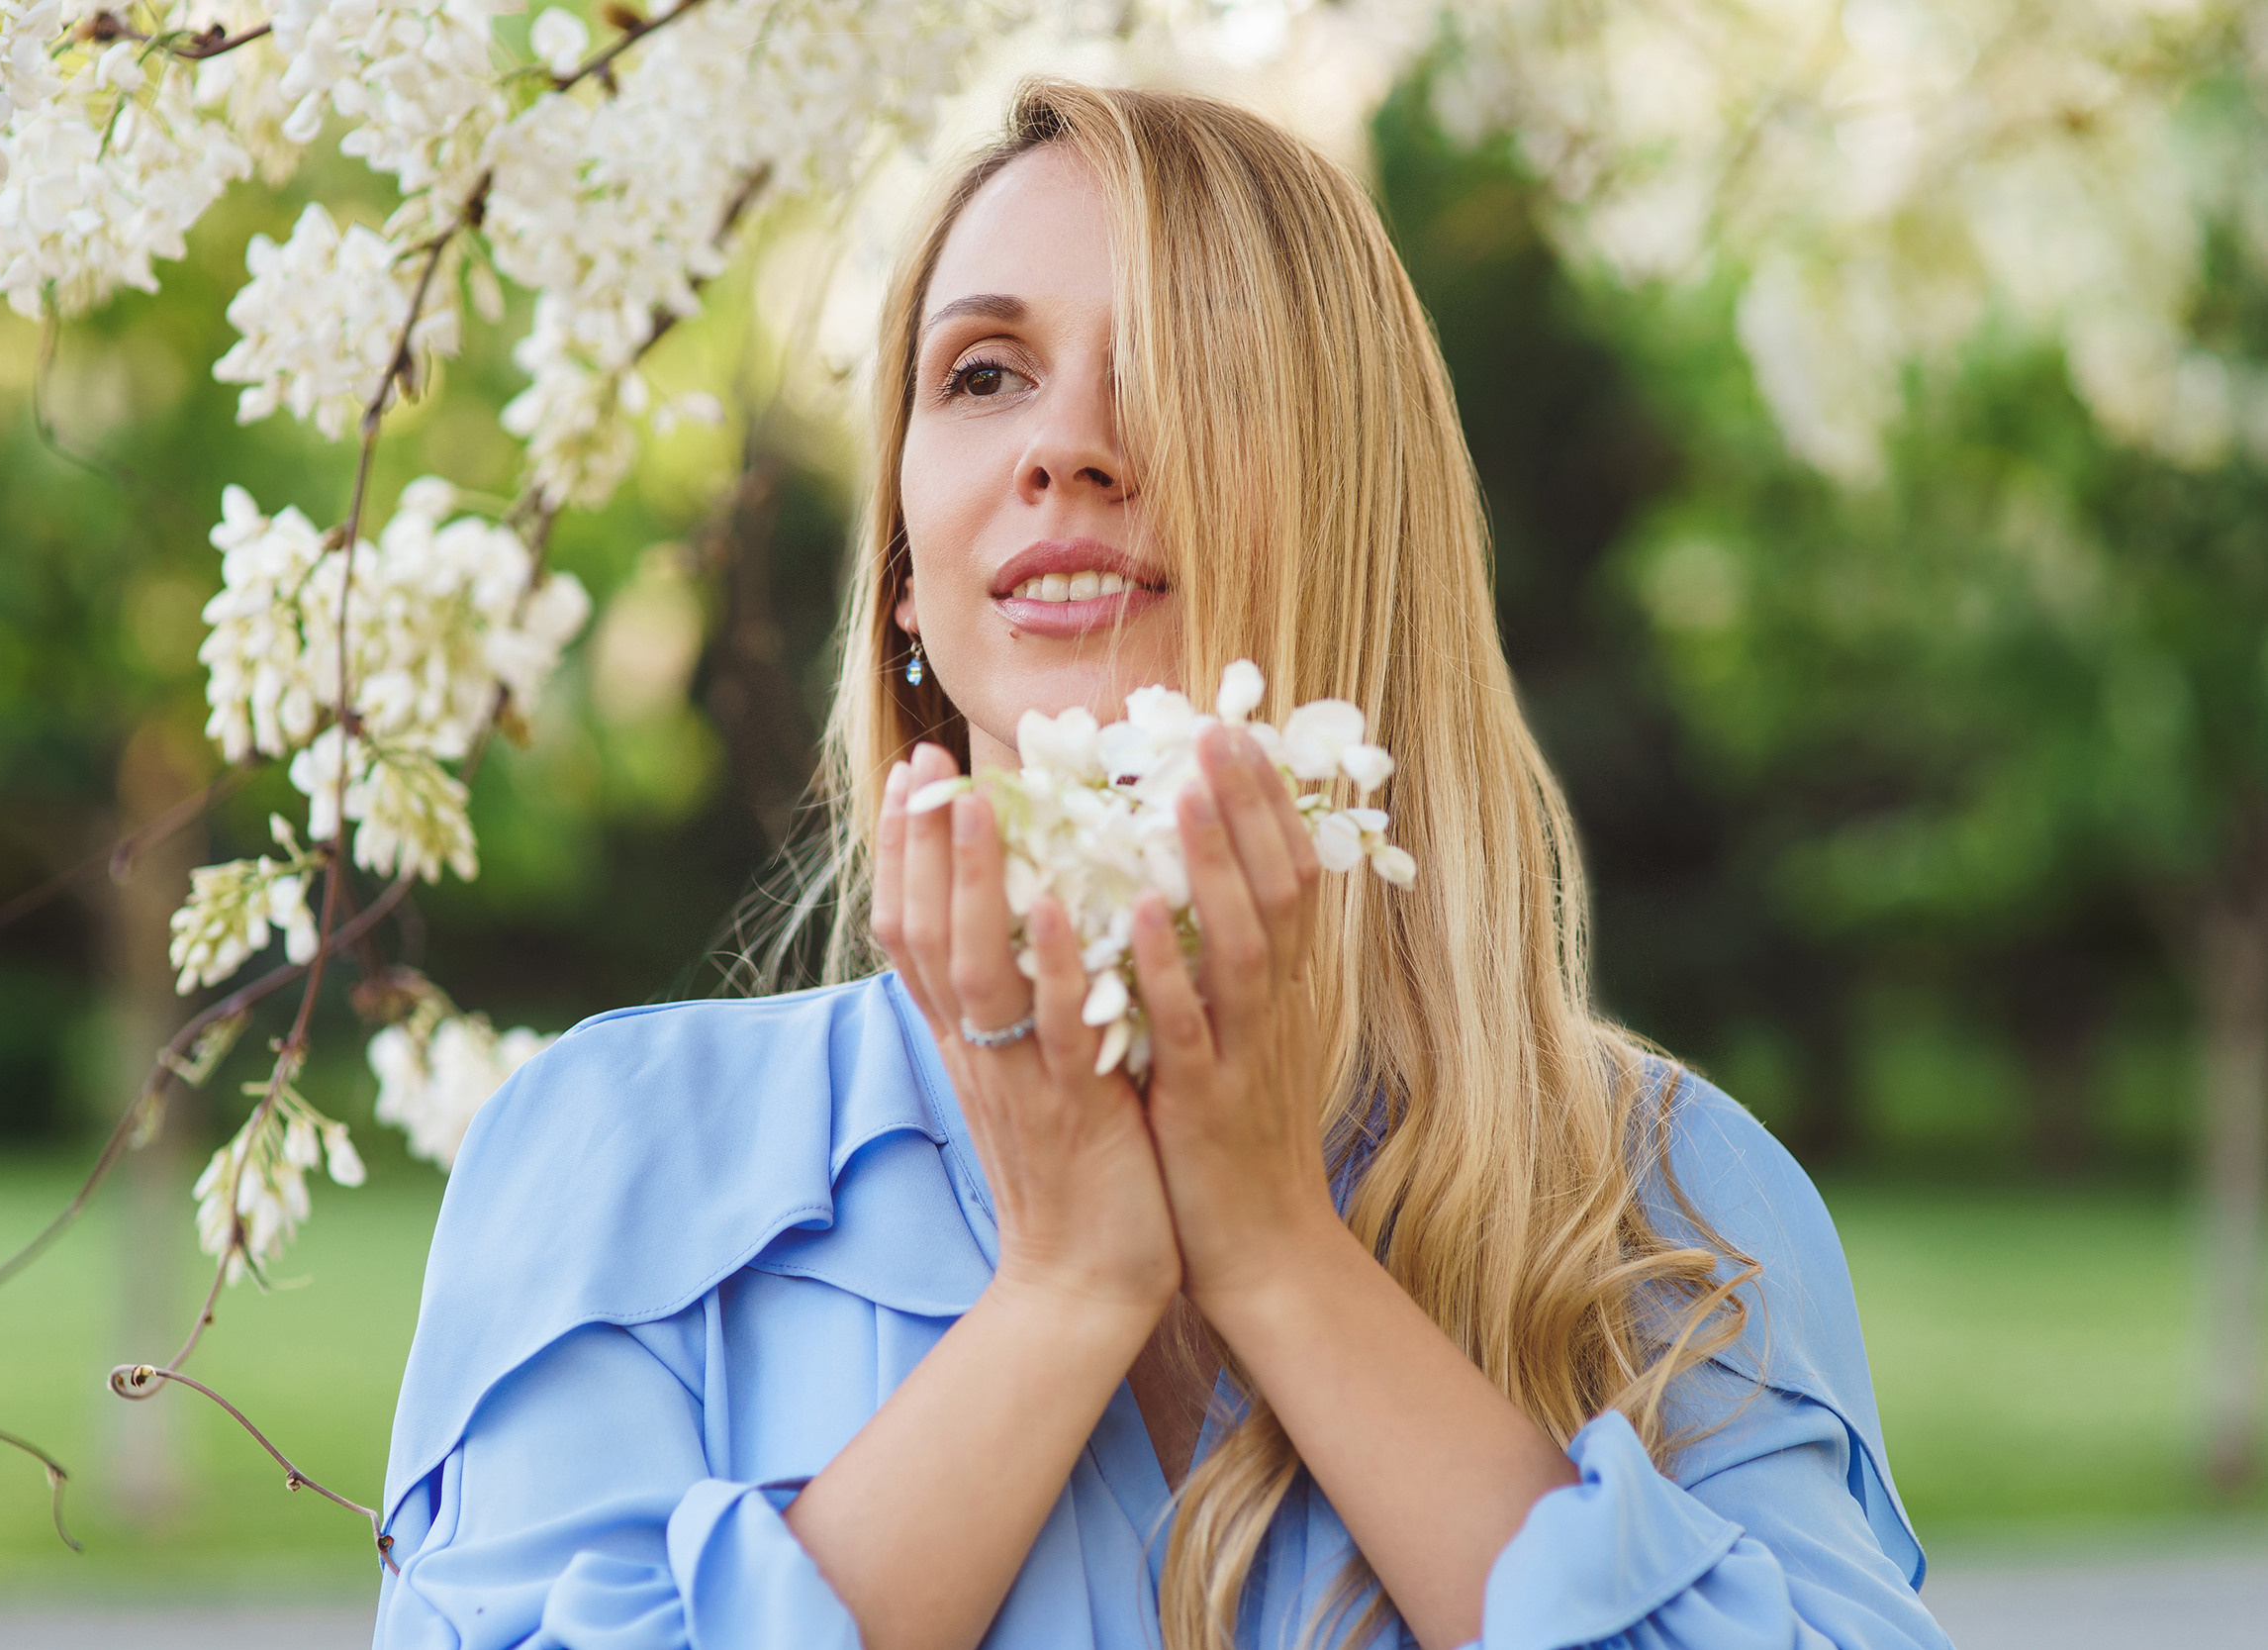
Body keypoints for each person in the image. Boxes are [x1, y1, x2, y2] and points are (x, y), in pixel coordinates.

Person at [372, 80, 1950, 1650]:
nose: (1069, 446)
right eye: (985, 374)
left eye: (1193, 368)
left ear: (1358, 510)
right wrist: (1063, 1294)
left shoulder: (1667, 1198)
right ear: (909, 577)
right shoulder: (622, 1161)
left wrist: (1277, 1255)